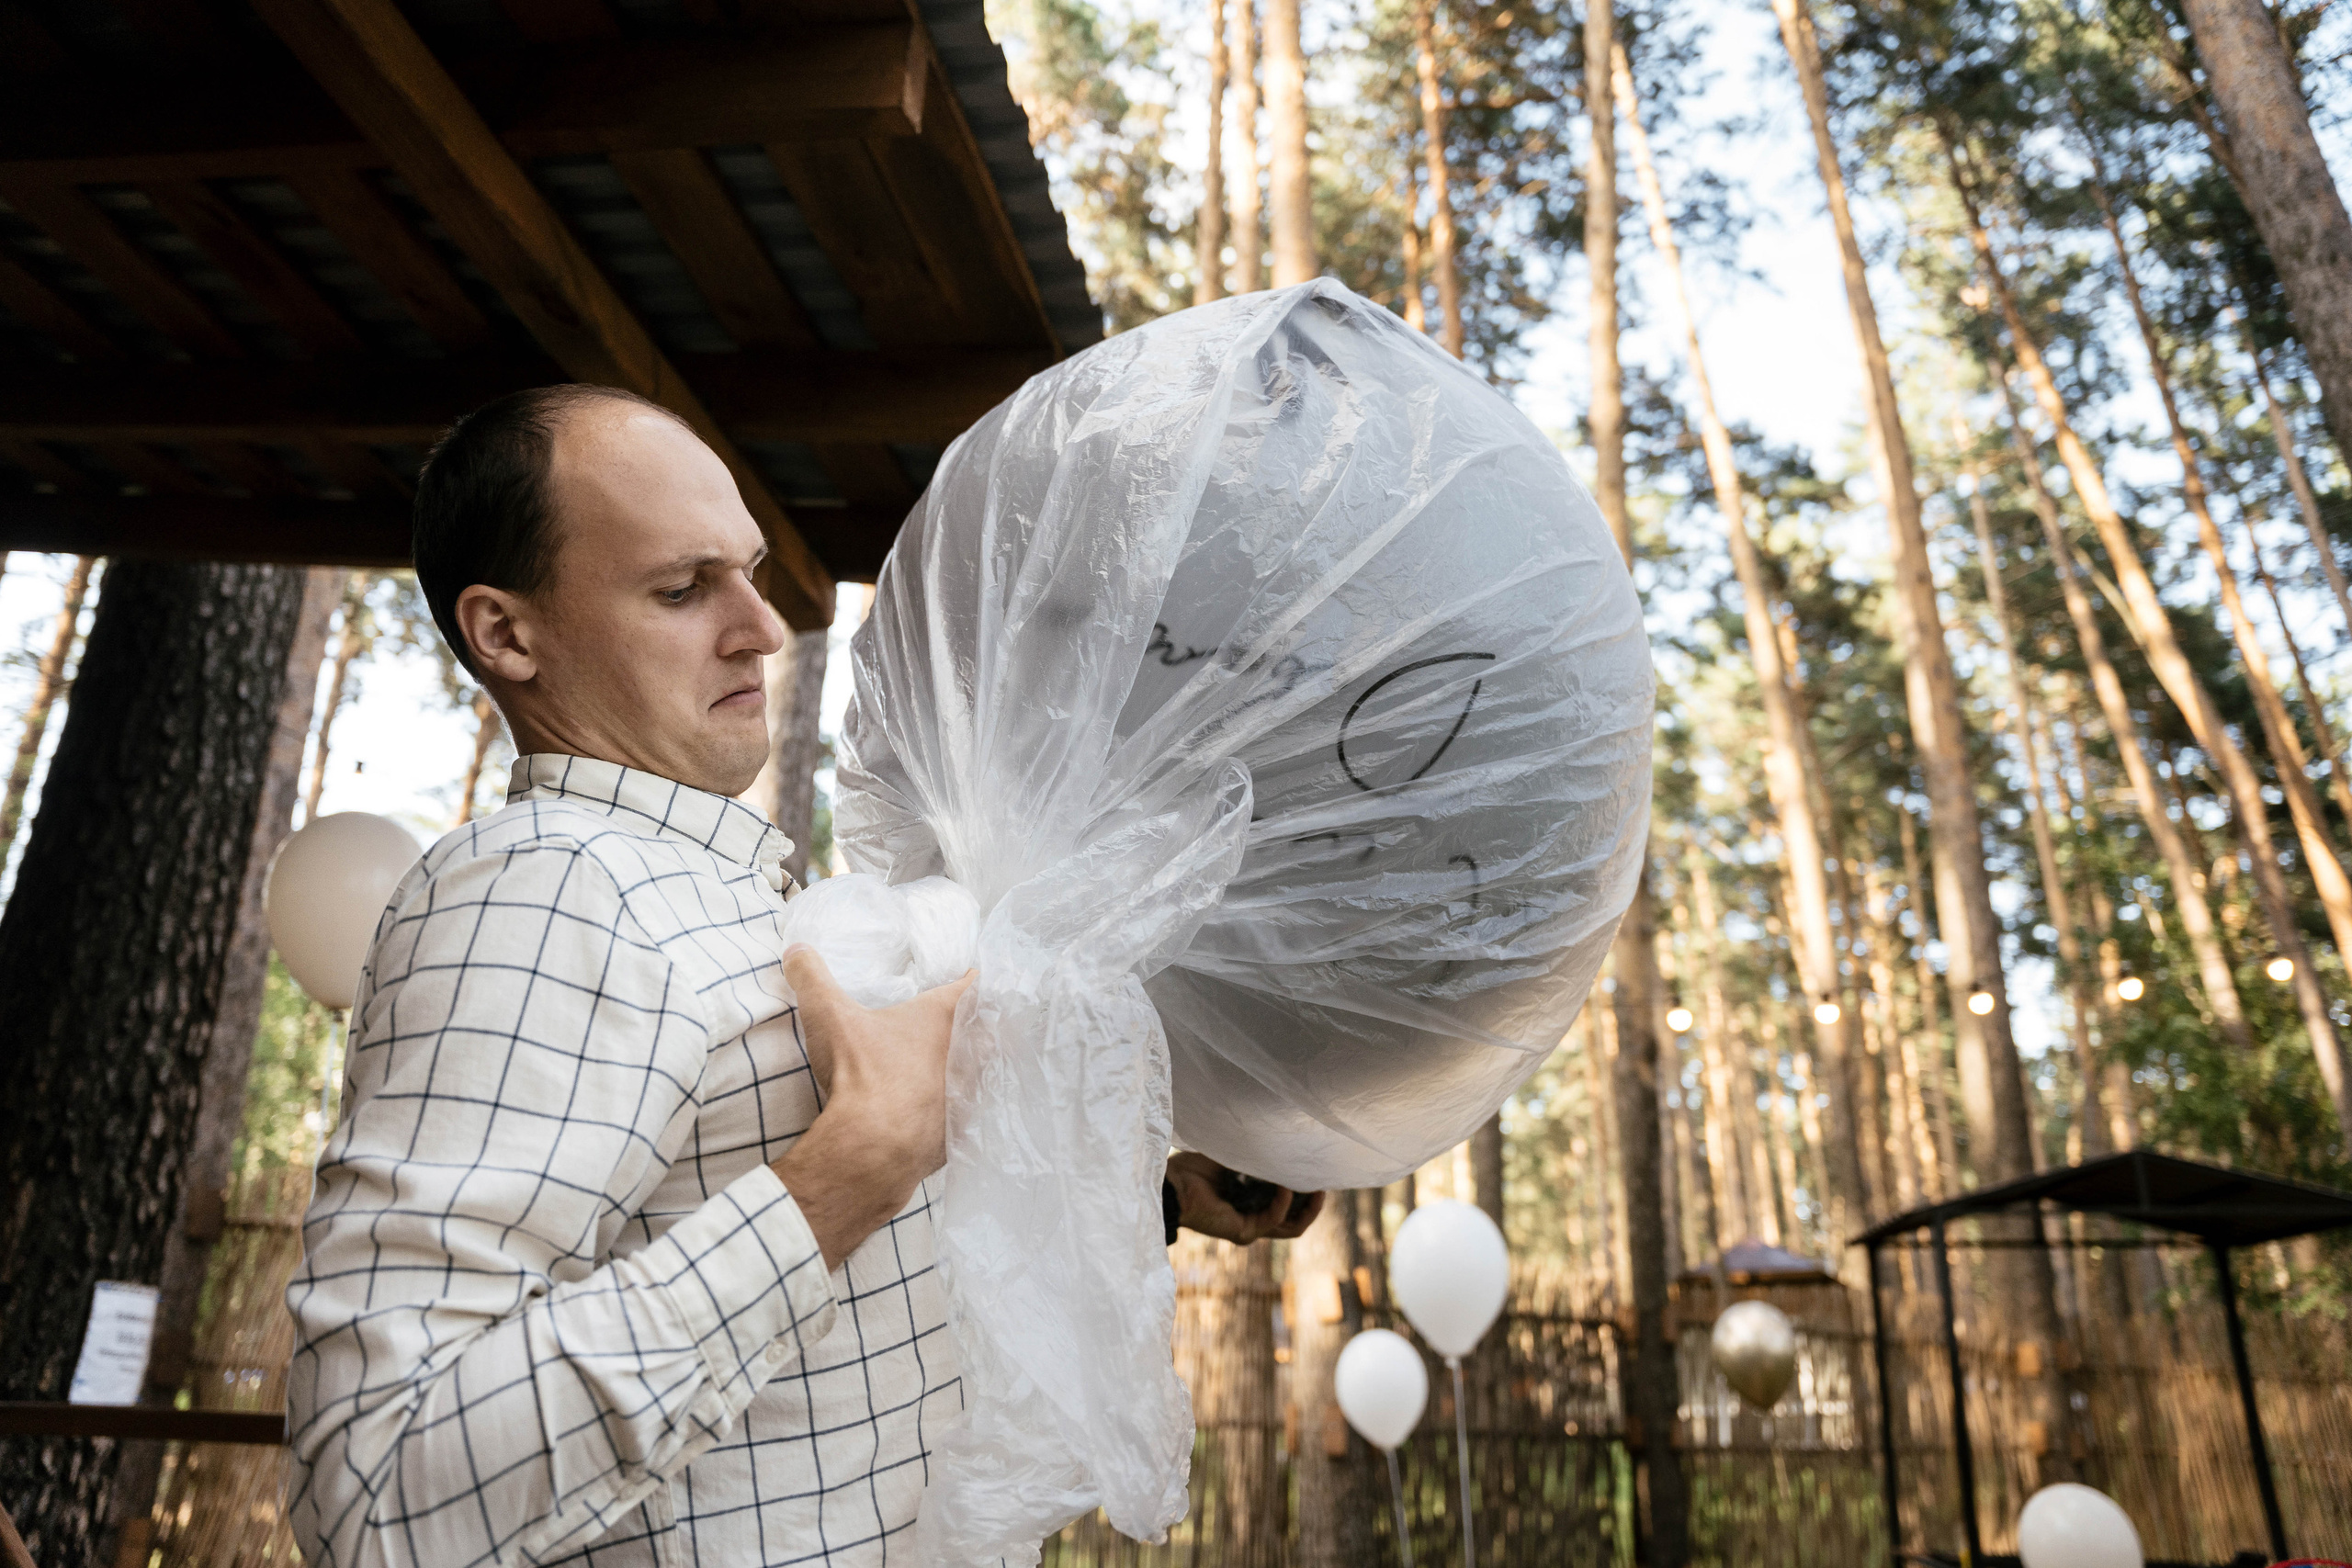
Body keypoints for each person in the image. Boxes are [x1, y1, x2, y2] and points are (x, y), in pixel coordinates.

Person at [285, 385, 1323, 1568]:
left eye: (750, 570)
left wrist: (1160, 1192)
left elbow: (810, 1278)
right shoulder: (541, 891)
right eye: (682, 589)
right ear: (508, 634)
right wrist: (848, 1172)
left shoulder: (723, 894)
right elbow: (369, 1491)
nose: (761, 629)